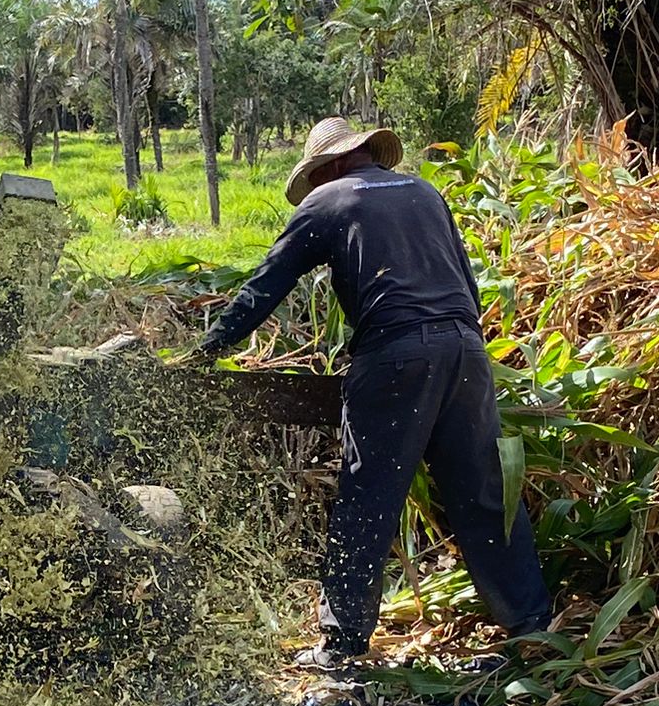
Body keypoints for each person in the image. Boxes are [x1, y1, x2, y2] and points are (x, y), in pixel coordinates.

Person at [182, 117, 552, 666]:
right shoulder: (425, 193)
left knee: (368, 498)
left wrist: (202, 353)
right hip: (467, 354)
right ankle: (532, 627)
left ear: (329, 165)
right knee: (484, 495)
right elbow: (468, 288)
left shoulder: (330, 201)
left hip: (396, 355)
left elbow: (264, 288)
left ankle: (342, 645)